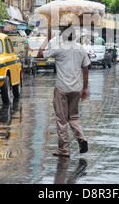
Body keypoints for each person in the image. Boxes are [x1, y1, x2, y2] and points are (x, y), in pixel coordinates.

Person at [37, 25, 90, 157]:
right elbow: (85, 70)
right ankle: (81, 138)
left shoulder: (59, 49)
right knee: (73, 117)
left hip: (61, 89)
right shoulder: (81, 49)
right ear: (75, 36)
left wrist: (48, 39)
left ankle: (64, 149)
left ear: (64, 36)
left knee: (61, 119)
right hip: (76, 89)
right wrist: (85, 88)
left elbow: (39, 55)